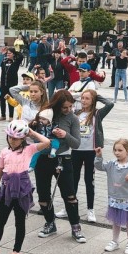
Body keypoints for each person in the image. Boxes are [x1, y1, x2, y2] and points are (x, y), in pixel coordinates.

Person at [0, 120, 51, 254]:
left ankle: (17, 252)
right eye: (10, 137)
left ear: (23, 138)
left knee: (19, 221)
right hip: (6, 189)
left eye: (16, 138)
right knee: (0, 220)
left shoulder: (29, 149)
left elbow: (47, 142)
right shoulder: (4, 152)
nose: (12, 140)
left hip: (22, 190)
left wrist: (31, 132)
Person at [34, 90, 85, 243]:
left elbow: (76, 143)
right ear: (57, 105)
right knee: (43, 195)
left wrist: (65, 135)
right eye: (64, 107)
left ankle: (75, 226)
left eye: (70, 107)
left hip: (63, 158)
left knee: (69, 195)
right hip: (43, 158)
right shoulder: (46, 113)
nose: (68, 110)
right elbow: (35, 135)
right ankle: (50, 222)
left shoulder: (73, 119)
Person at [94, 139, 128, 254]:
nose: (117, 153)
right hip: (114, 198)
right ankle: (115, 241)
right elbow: (99, 166)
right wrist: (99, 156)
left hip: (127, 200)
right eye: (115, 150)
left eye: (120, 150)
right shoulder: (111, 164)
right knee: (115, 221)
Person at [71, 90, 114, 223]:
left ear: (93, 101)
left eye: (87, 99)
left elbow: (110, 104)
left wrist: (96, 96)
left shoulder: (97, 114)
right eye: (82, 98)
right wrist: (77, 95)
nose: (83, 101)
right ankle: (70, 205)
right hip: (76, 150)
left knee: (89, 181)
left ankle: (90, 209)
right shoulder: (76, 113)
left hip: (90, 151)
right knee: (73, 180)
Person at [0, 48, 24, 121]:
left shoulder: (16, 62)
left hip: (12, 84)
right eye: (7, 53)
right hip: (3, 83)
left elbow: (21, 56)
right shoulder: (4, 61)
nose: (8, 54)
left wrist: (15, 52)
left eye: (10, 53)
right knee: (2, 100)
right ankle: (3, 115)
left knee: (10, 100)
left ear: (13, 54)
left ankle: (11, 116)